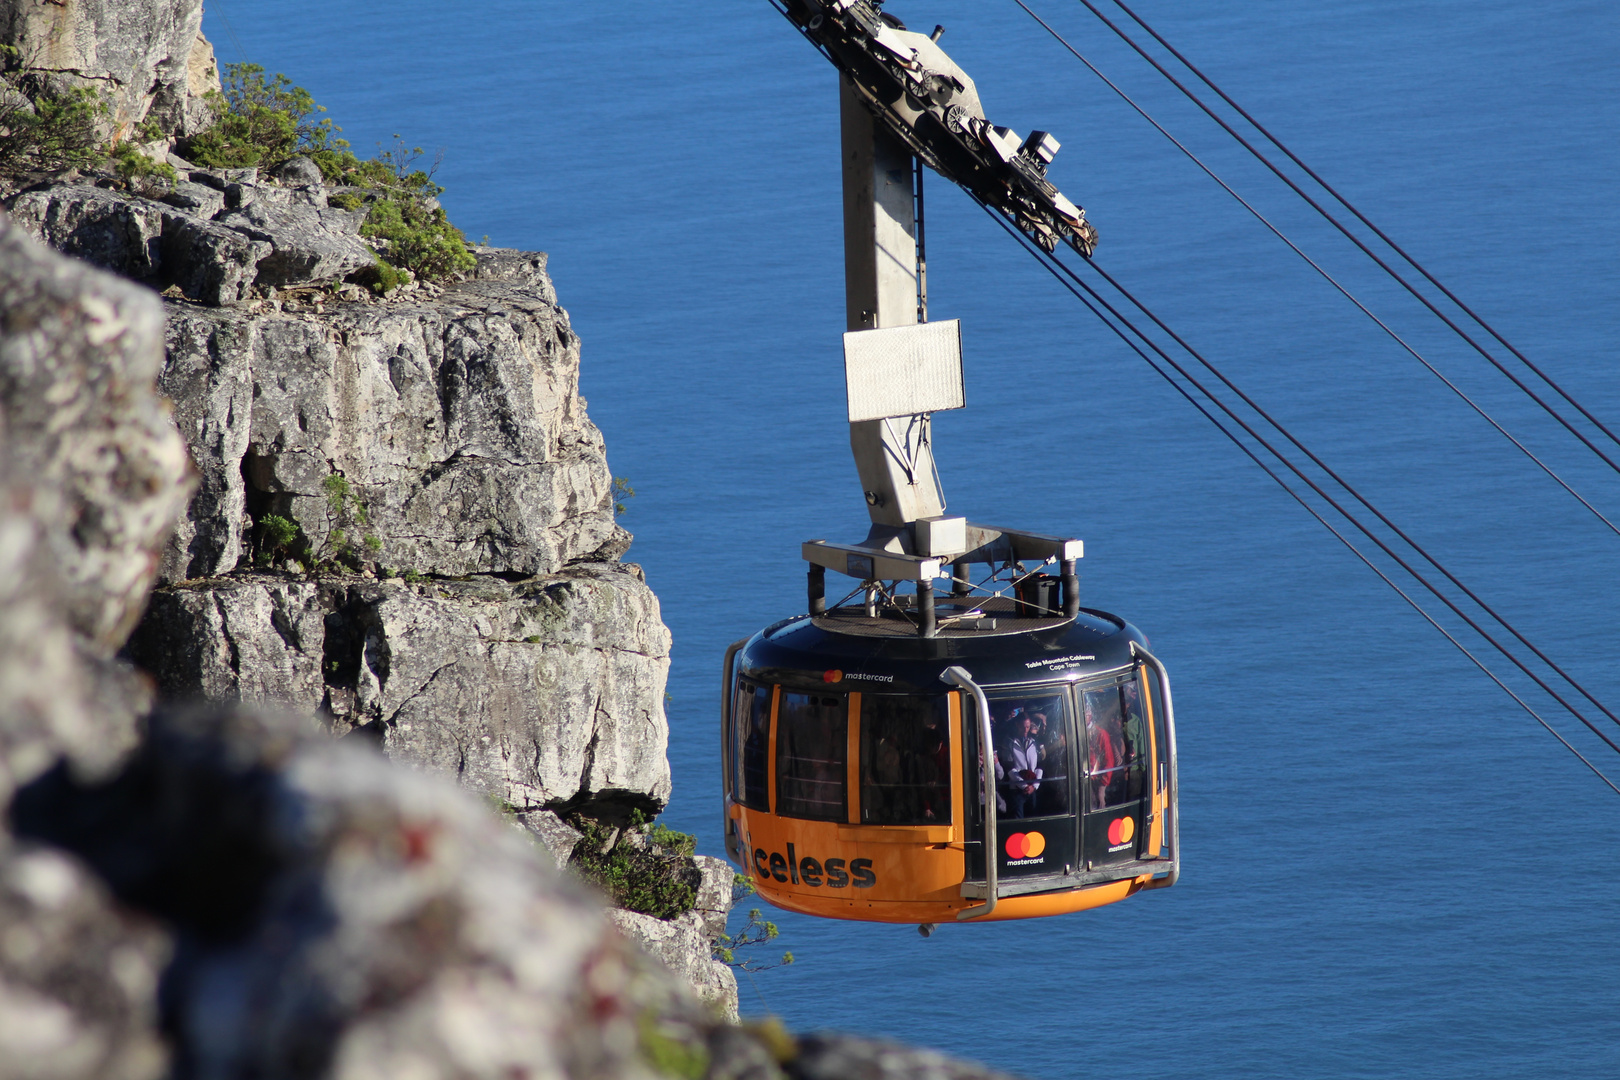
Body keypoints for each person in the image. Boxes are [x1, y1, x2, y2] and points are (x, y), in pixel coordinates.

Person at [1002, 712, 1042, 819]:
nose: (1026, 730)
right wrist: (1024, 786)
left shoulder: (1034, 741)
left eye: (1028, 727)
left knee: (1033, 820)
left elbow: (1039, 766)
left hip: (1033, 789)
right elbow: (1009, 768)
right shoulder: (1009, 742)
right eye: (1023, 727)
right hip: (1016, 790)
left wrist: (1034, 786)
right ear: (1017, 725)